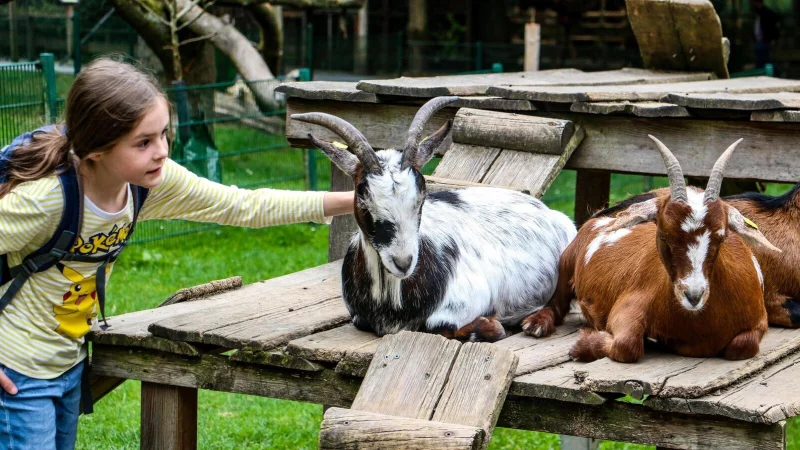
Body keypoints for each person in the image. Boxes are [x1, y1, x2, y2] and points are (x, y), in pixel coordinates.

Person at [0, 57, 354, 449]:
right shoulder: (45, 200)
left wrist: (356, 201)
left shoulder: (146, 184)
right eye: (144, 142)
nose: (163, 151)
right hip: (17, 370)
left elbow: (242, 206)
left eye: (164, 134)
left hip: (67, 363)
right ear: (97, 147)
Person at [752, 0, 780, 69]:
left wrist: (772, 38)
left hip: (765, 41)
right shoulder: (758, 13)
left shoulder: (767, 13)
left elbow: (774, 27)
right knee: (759, 61)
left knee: (765, 62)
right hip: (758, 41)